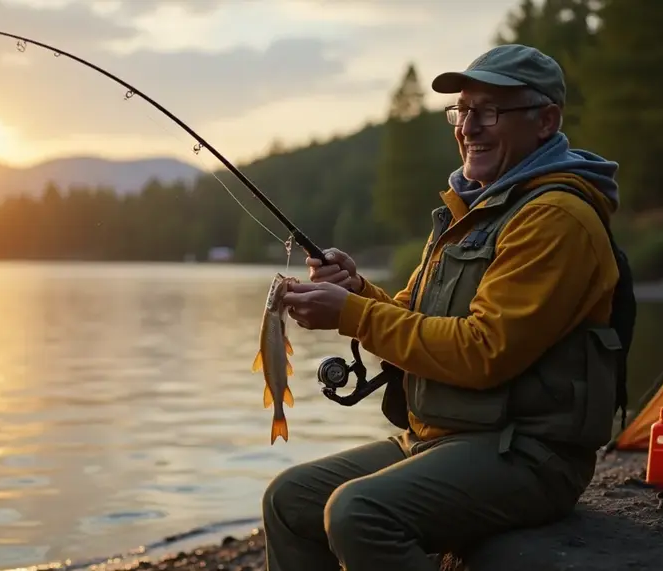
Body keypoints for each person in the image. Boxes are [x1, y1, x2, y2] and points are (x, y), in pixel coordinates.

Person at [267, 44, 624, 570]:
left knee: (357, 513)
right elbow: (414, 317)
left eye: (490, 111)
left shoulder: (555, 219)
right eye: (462, 111)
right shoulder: (476, 210)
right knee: (289, 500)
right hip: (444, 439)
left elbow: (483, 352)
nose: (469, 127)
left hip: (527, 456)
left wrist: (350, 313)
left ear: (546, 120)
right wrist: (359, 290)